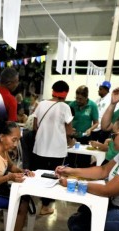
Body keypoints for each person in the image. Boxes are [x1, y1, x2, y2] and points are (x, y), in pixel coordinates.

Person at [32, 80, 74, 216]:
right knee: (54, 175)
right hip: (57, 148)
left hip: (40, 146)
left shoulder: (41, 104)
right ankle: (46, 205)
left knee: (40, 174)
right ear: (65, 94)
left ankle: (38, 199)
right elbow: (69, 130)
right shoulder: (65, 107)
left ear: (52, 90)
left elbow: (34, 126)